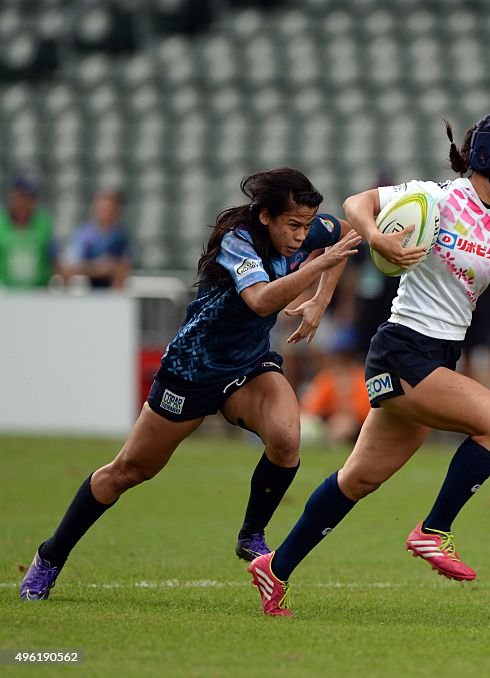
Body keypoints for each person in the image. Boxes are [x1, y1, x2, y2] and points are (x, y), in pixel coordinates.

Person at [246, 112, 490, 617]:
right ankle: (434, 531)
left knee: (357, 480)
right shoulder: (438, 197)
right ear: (487, 157)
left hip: (439, 355)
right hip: (402, 349)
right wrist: (376, 236)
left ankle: (275, 568)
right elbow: (356, 204)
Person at [20, 168, 361, 600]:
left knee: (286, 438)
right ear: (265, 217)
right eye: (293, 226)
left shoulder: (303, 232)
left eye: (307, 227)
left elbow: (346, 231)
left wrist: (321, 298)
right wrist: (322, 266)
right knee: (128, 471)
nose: (301, 236)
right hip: (193, 371)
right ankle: (50, 557)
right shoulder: (239, 240)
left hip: (248, 366)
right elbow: (259, 301)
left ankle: (251, 535)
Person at [61, 189, 133, 289]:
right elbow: (69, 267)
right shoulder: (83, 234)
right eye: (102, 208)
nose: (106, 212)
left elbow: (123, 268)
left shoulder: (121, 237)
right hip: (84, 291)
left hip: (111, 294)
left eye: (110, 208)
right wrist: (98, 268)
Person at [0, 175, 58, 289]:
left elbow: (53, 259)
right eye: (19, 197)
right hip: (7, 292)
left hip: (38, 291)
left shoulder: (44, 224)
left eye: (28, 198)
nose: (23, 203)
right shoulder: (2, 224)